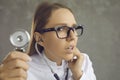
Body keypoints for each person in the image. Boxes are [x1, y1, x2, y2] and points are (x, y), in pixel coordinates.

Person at [0, 2, 96, 80]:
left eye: (74, 28)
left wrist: (78, 74)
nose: (72, 37)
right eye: (61, 29)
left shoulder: (83, 62)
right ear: (40, 39)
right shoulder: (21, 69)